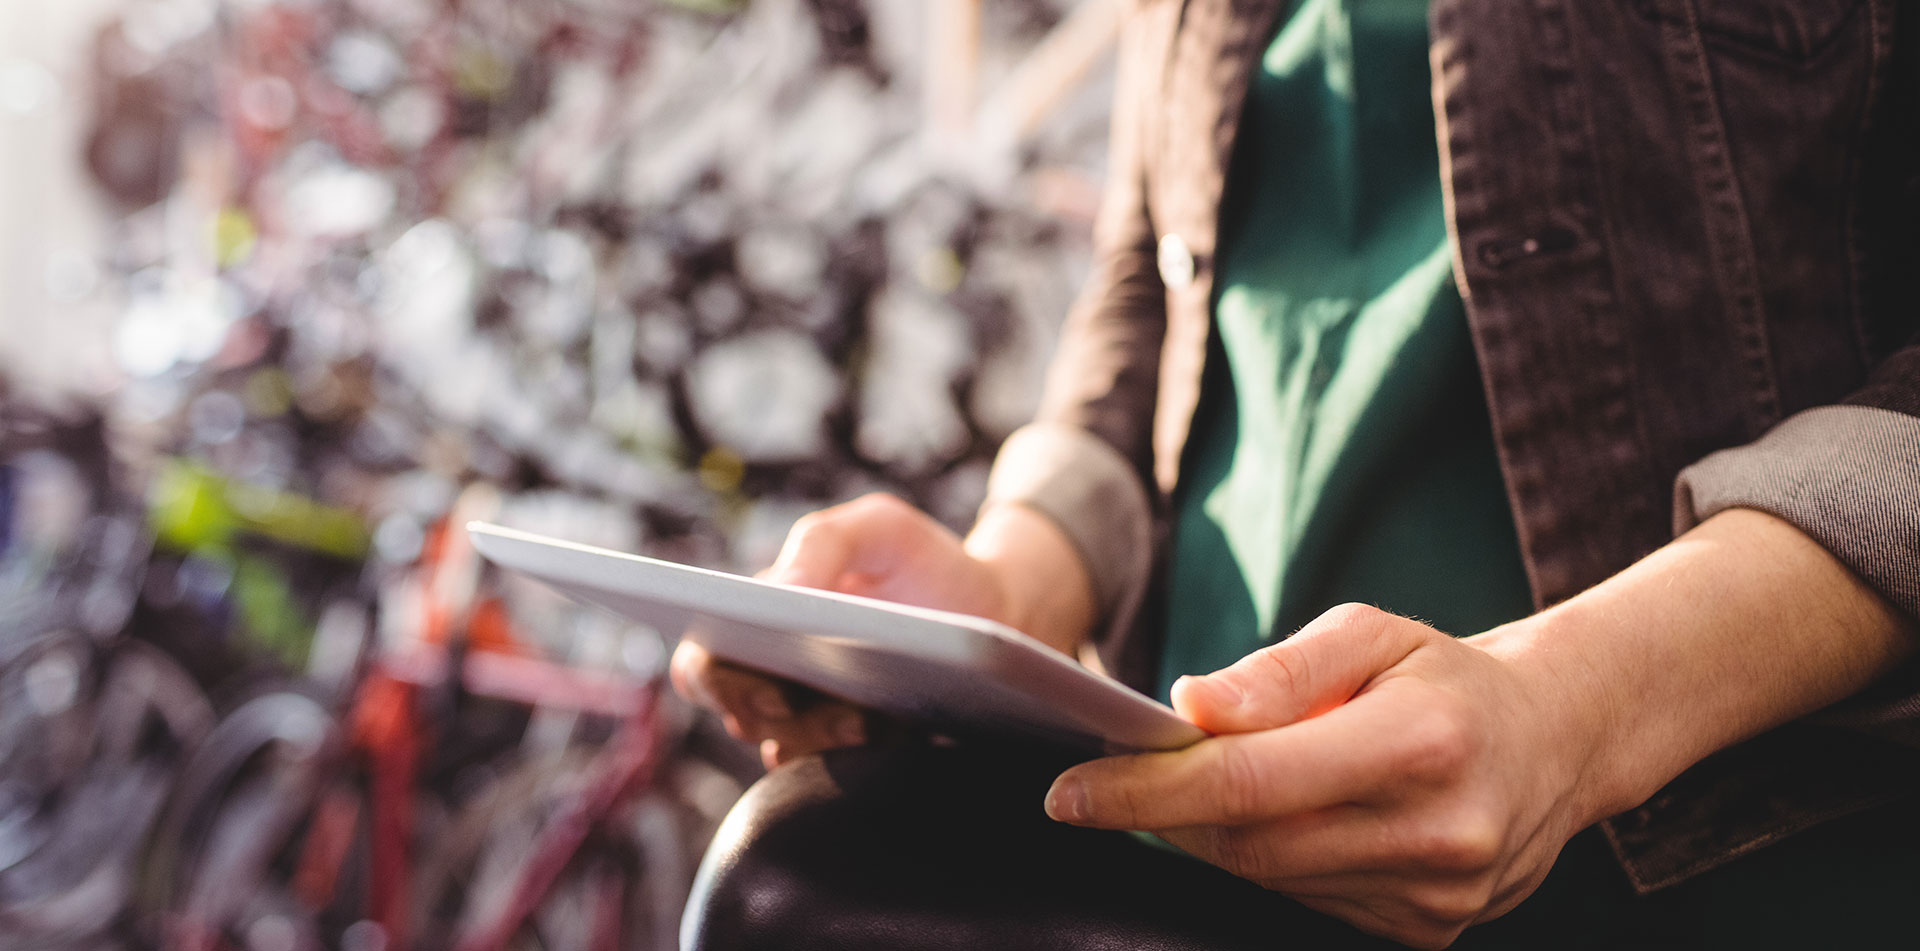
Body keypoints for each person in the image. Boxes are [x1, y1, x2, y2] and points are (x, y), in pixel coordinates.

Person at [672, 1, 1920, 947]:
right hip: (1203, 864)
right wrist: (1013, 578)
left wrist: (1576, 710)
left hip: (1705, 867)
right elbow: (1155, 276)